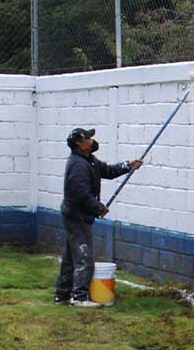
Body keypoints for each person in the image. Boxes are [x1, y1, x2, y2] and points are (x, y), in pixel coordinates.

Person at [55, 128, 143, 307]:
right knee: (84, 258)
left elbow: (108, 171)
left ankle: (62, 295)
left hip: (77, 216)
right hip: (77, 217)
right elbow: (81, 194)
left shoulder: (89, 161)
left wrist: (128, 165)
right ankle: (79, 297)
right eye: (88, 138)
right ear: (80, 144)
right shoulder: (78, 165)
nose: (92, 140)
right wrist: (99, 208)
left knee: (71, 258)